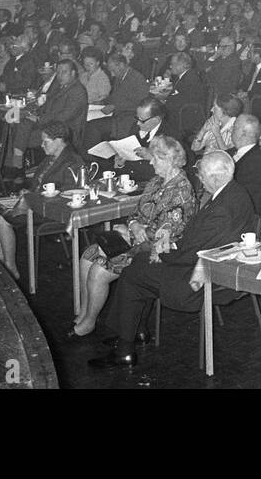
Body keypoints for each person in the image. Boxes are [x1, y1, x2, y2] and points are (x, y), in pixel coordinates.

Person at [88, 151, 256, 369]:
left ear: (215, 178)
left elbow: (192, 252)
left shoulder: (222, 208)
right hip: (209, 264)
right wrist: (169, 247)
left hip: (199, 279)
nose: (199, 178)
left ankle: (125, 349)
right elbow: (199, 242)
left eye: (202, 174)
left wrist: (163, 252)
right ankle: (134, 331)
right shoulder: (236, 193)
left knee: (133, 273)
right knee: (141, 263)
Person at [72, 134, 196, 338]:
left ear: (167, 160)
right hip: (137, 239)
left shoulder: (181, 191)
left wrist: (132, 232)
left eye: (154, 158)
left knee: (99, 270)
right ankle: (84, 313)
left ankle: (89, 322)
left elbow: (165, 235)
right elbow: (135, 213)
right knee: (87, 256)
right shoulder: (156, 182)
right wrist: (133, 225)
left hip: (158, 250)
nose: (150, 162)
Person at [0, 120, 82, 281]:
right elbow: (38, 183)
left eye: (45, 141)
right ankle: (0, 260)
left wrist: (34, 196)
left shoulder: (73, 161)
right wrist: (27, 192)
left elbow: (69, 193)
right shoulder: (50, 158)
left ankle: (10, 268)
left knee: (2, 219)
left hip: (51, 209)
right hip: (36, 201)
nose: (42, 145)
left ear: (58, 141)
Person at [228, 114, 261, 213]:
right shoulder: (238, 151)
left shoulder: (252, 165)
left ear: (243, 133)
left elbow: (239, 201)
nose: (230, 130)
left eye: (234, 127)